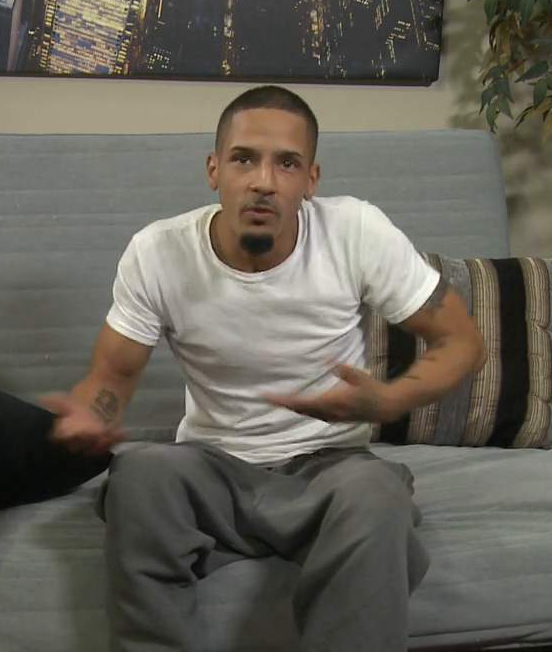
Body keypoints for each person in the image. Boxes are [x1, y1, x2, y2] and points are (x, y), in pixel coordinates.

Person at [45, 86, 484, 652]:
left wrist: (390, 400)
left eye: (287, 163)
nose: (264, 181)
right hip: (212, 468)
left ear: (311, 180)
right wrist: (92, 414)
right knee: (138, 476)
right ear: (214, 170)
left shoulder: (356, 231)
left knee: (377, 496)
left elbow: (461, 341)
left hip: (330, 469)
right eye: (244, 159)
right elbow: (112, 378)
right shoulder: (157, 252)